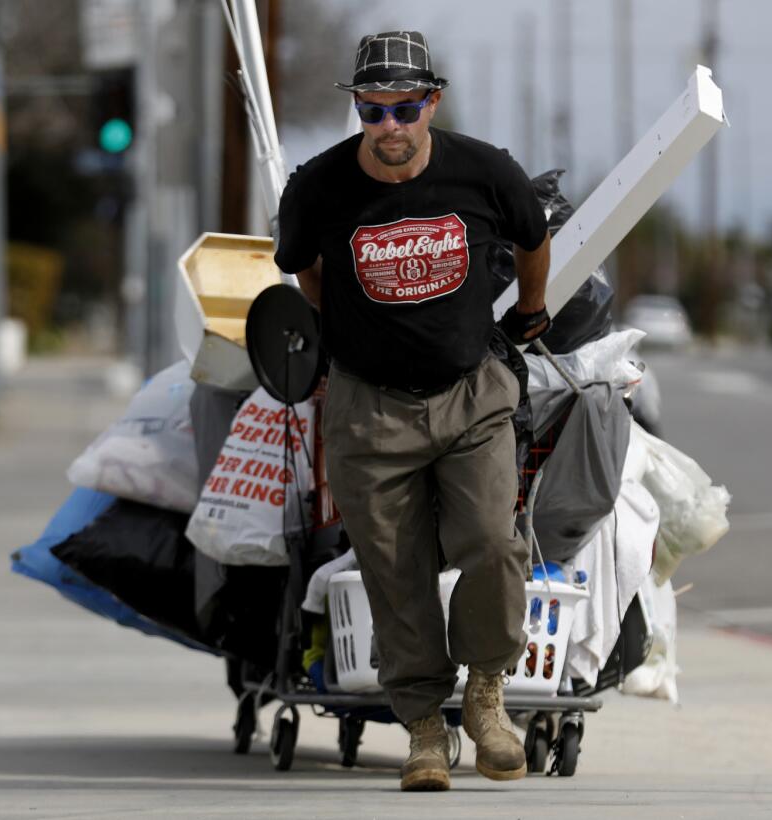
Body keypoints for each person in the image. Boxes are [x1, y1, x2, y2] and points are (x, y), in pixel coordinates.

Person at [274, 30, 553, 791]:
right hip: (369, 408)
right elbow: (303, 267)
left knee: (493, 540)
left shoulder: (484, 171)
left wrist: (530, 309)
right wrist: (351, 328)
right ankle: (426, 732)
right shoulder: (320, 187)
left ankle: (487, 694)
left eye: (405, 108)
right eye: (372, 110)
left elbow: (533, 236)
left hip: (471, 397)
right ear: (357, 111)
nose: (389, 126)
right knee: (394, 573)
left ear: (432, 101)